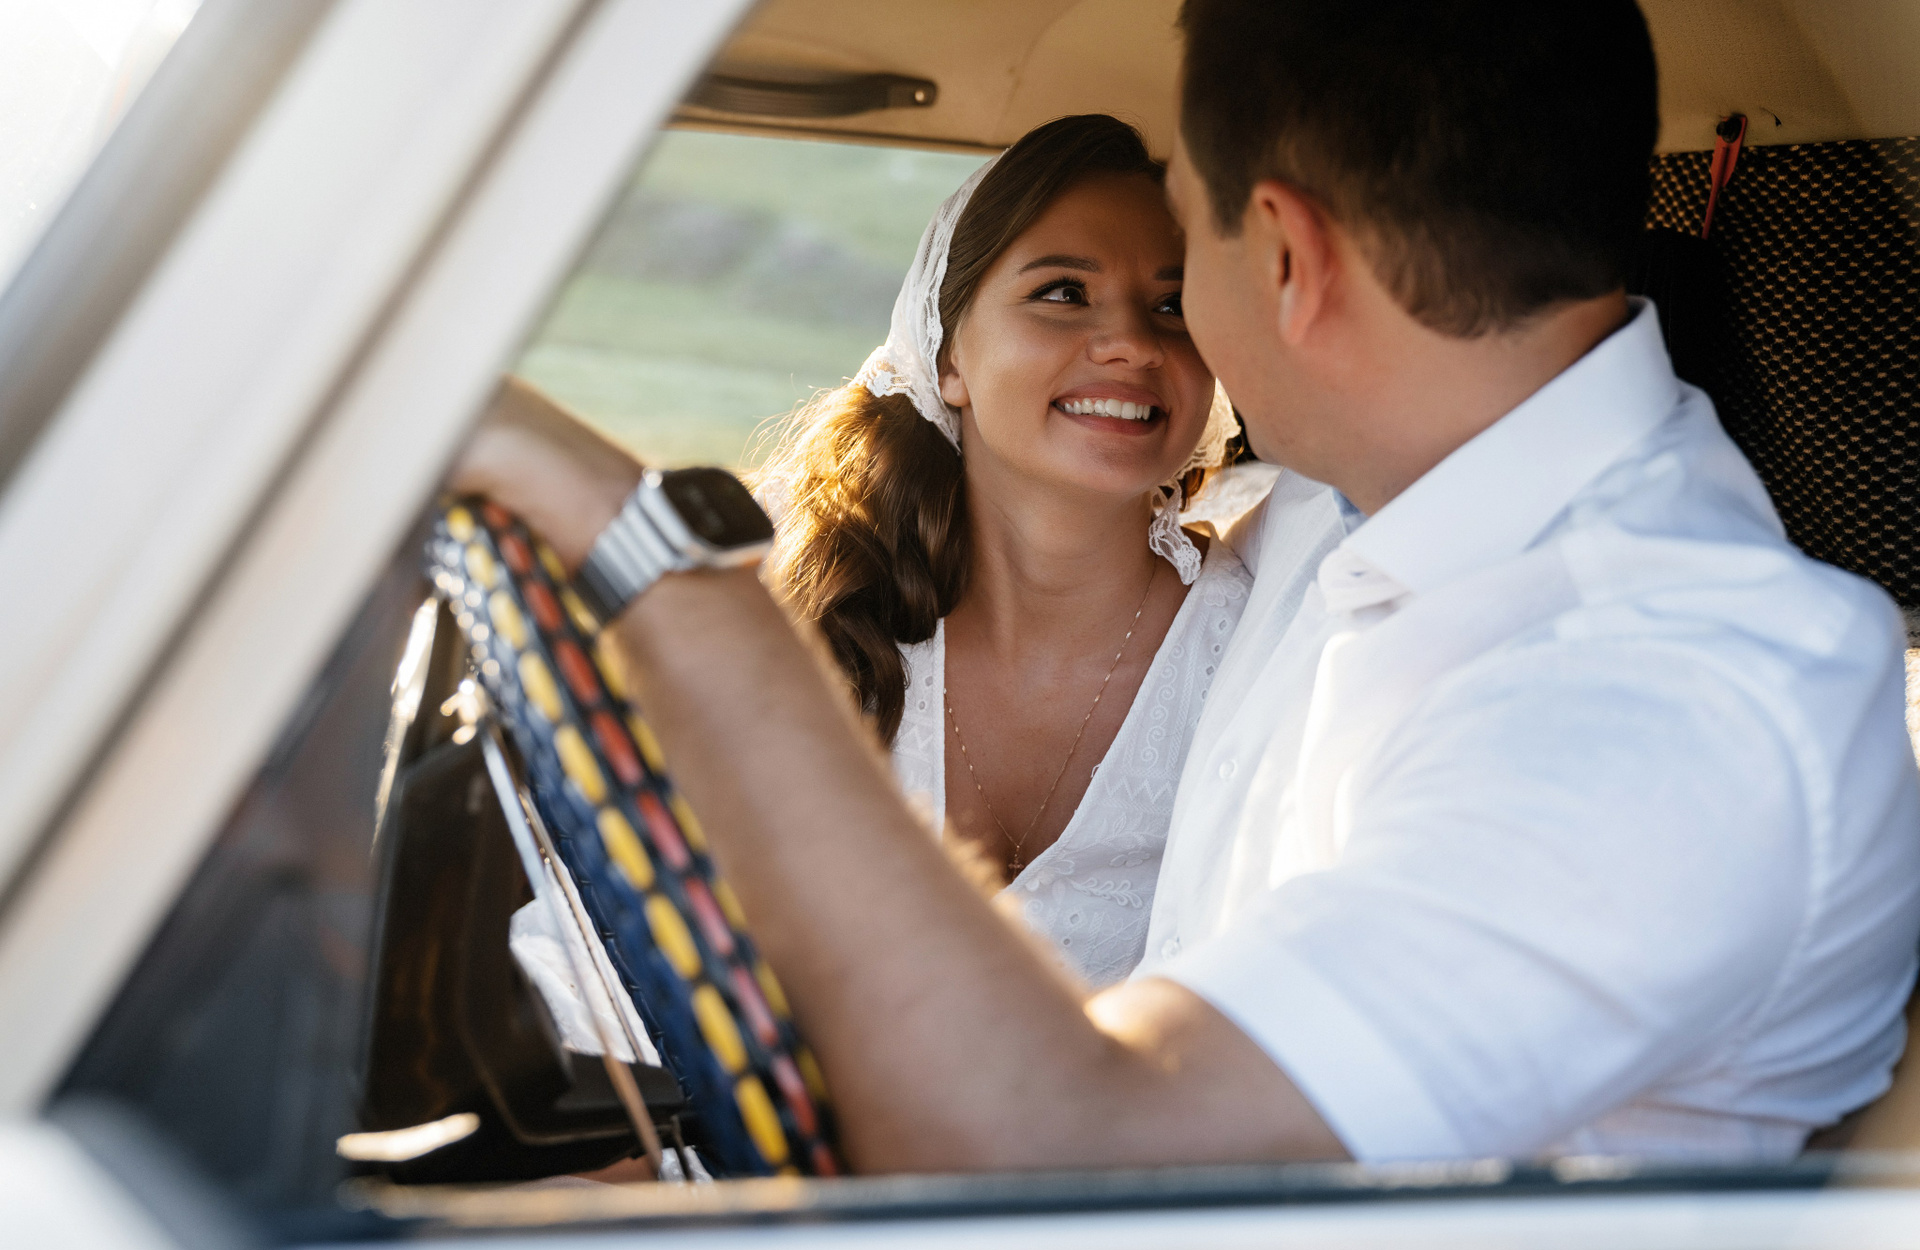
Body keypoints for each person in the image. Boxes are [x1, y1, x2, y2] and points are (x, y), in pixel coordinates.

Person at [456, 0, 1920, 1170]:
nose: (1155, 334)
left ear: (1283, 254)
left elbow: (1056, 1139)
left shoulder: (1666, 698)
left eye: (1185, 252)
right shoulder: (1345, 521)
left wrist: (656, 563)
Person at [756, 114, 1248, 987]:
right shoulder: (809, 601)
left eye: (1173, 305)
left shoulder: (1251, 648)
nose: (1135, 343)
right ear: (948, 357)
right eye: (1064, 292)